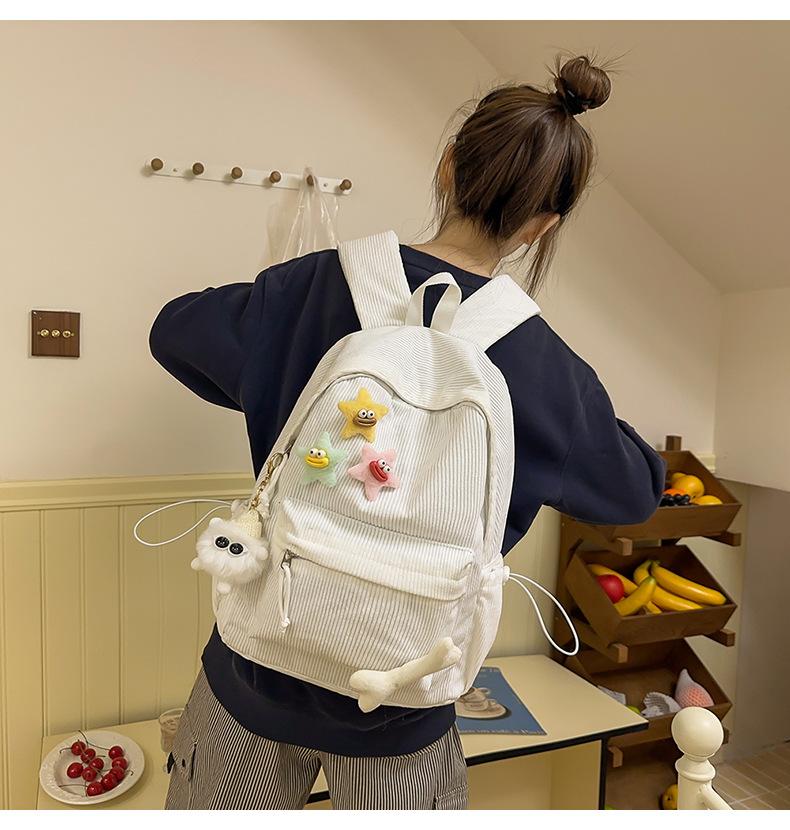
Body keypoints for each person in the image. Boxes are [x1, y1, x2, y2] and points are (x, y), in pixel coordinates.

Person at [150, 54, 665, 810]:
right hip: (402, 700)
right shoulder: (540, 364)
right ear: (542, 226)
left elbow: (174, 332)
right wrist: (569, 400)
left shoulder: (315, 286)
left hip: (253, 670)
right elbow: (635, 490)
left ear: (448, 166)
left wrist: (272, 372)